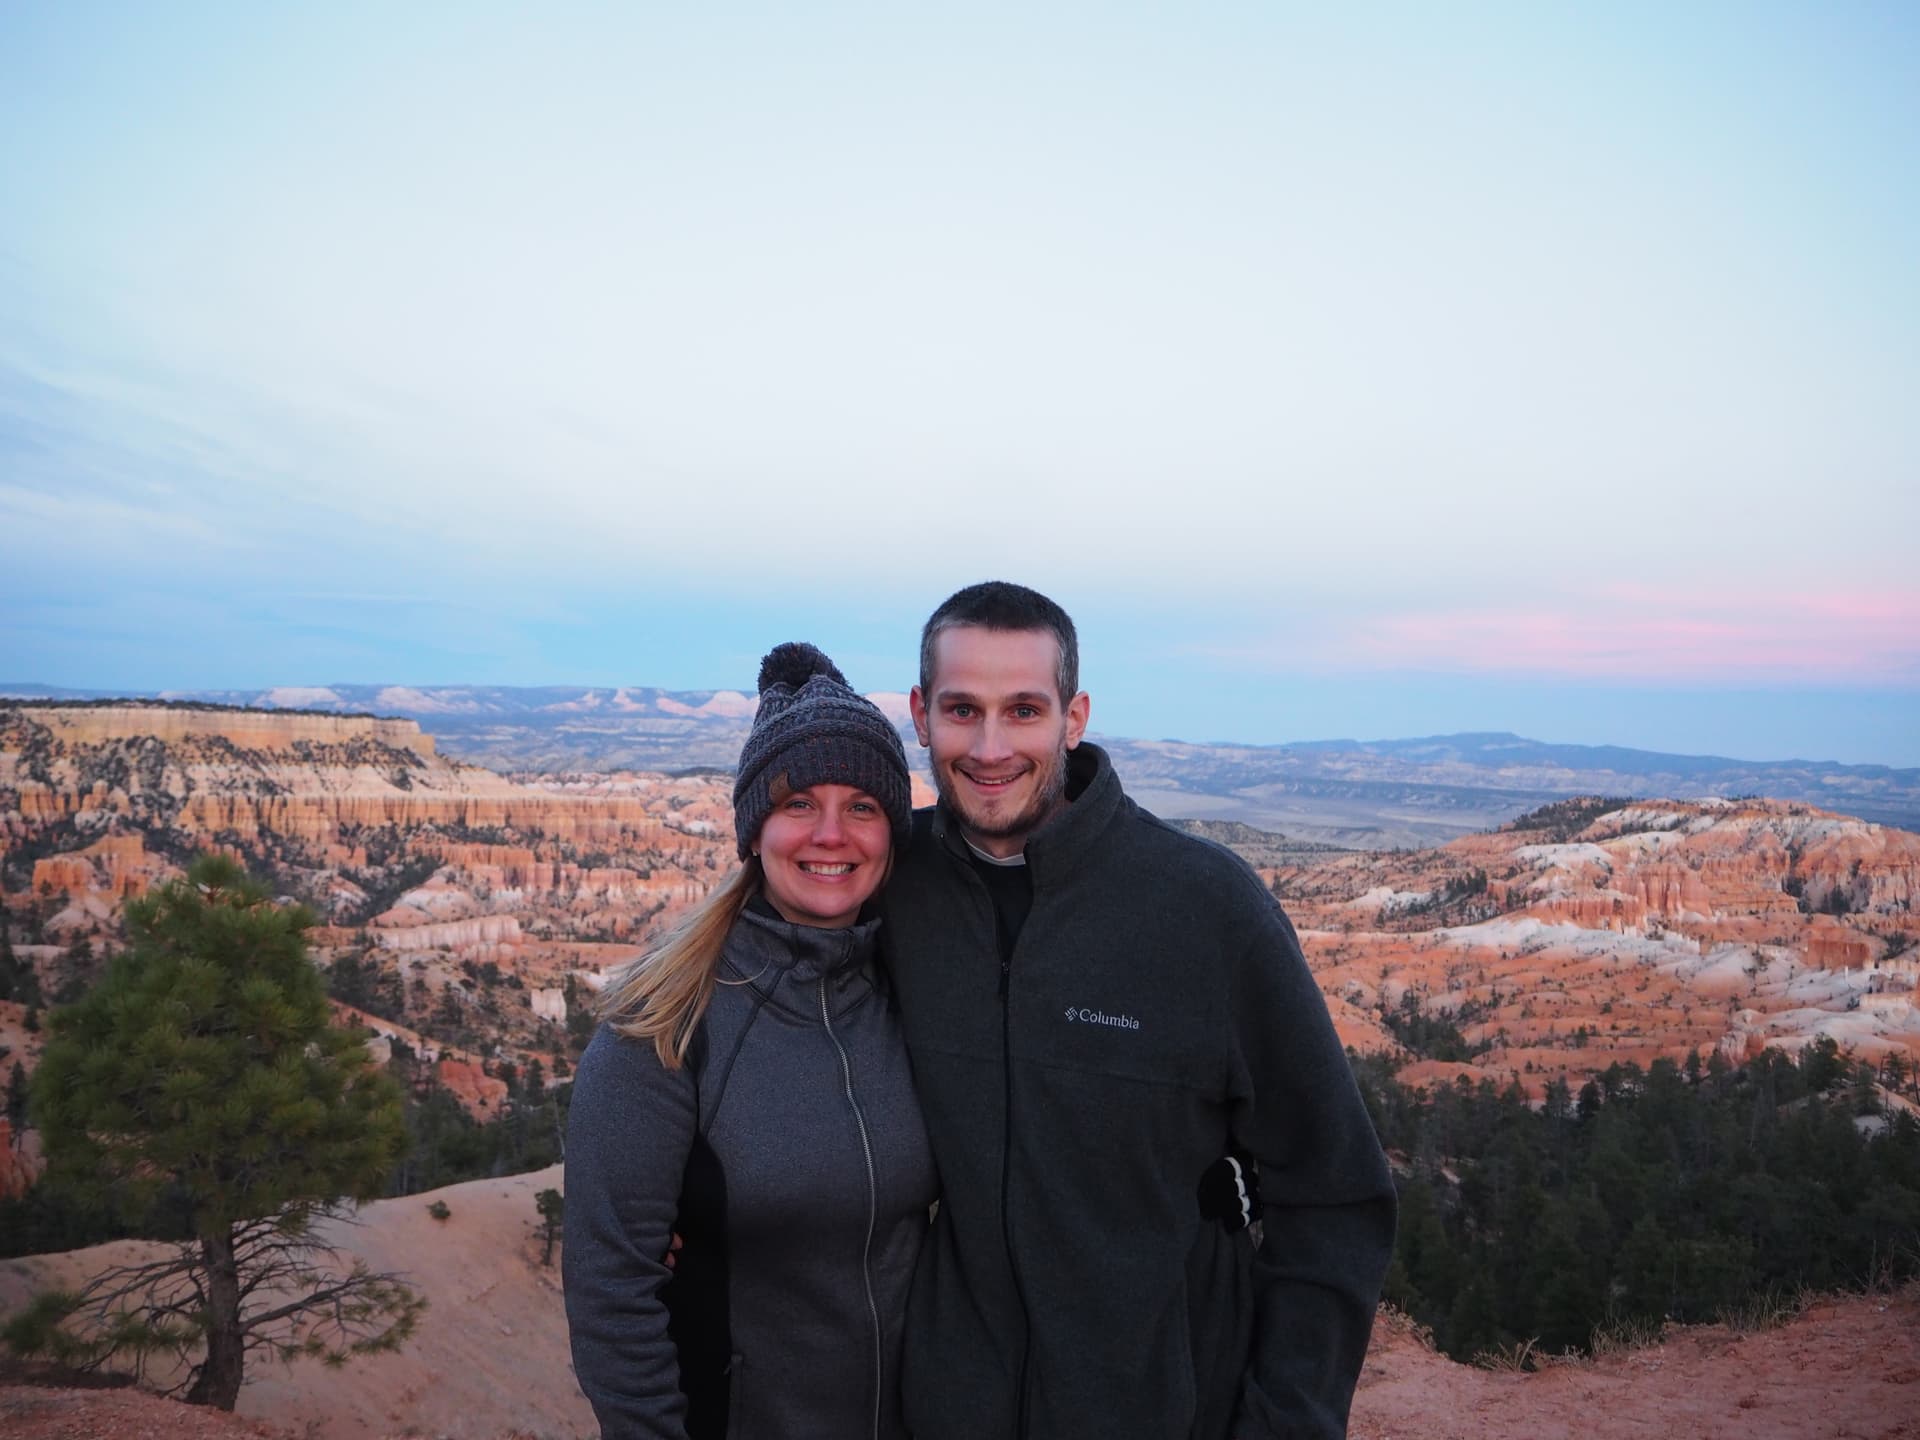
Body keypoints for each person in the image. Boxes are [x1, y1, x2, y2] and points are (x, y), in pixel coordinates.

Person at [881, 581, 1398, 1440]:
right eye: (962, 709)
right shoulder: (893, 886)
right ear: (920, 714)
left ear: (1074, 718)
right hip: (949, 1407)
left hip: (1165, 1408)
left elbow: (1334, 1191)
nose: (990, 745)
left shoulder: (1202, 906)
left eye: (1024, 710)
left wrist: (1288, 1420)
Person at [563, 642, 937, 1440]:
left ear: (893, 831)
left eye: (863, 806)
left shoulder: (920, 995)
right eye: (799, 802)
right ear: (753, 826)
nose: (831, 834)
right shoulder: (667, 1021)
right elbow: (610, 1289)